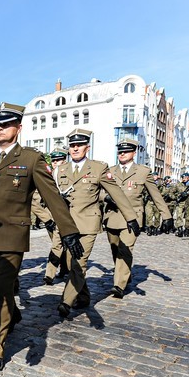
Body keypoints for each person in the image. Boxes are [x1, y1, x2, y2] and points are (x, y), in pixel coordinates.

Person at [0, 104, 81, 372]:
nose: (0, 128)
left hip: (12, 236)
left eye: (6, 124)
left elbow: (52, 196)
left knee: (1, 293)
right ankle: (13, 314)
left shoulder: (31, 158)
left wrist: (69, 230)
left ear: (18, 128)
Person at [55, 129, 138, 317]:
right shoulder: (60, 170)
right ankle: (83, 297)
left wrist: (130, 217)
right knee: (69, 263)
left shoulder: (98, 168)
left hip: (87, 224)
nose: (75, 148)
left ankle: (66, 301)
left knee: (78, 263)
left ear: (87, 147)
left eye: (79, 145)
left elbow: (116, 192)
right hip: (68, 225)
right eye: (72, 146)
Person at [102, 139, 172, 299]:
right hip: (112, 216)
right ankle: (125, 275)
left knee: (125, 249)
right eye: (120, 151)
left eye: (126, 151)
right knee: (115, 248)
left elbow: (156, 195)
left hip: (132, 218)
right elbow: (98, 190)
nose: (122, 154)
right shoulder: (110, 171)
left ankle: (118, 285)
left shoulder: (143, 171)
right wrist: (106, 197)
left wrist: (166, 216)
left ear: (134, 153)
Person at [30, 147, 71, 285]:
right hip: (50, 217)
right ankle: (64, 268)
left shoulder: (72, 175)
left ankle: (50, 274)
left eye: (60, 160)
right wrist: (45, 218)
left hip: (68, 216)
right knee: (59, 243)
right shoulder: (44, 175)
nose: (56, 163)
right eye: (54, 161)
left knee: (57, 244)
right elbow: (34, 199)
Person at [173, 172, 189, 237]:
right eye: (183, 177)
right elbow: (172, 192)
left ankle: (188, 229)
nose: (184, 179)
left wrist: (188, 194)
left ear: (188, 178)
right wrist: (177, 197)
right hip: (180, 203)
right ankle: (179, 229)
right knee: (179, 216)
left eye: (185, 178)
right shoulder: (178, 185)